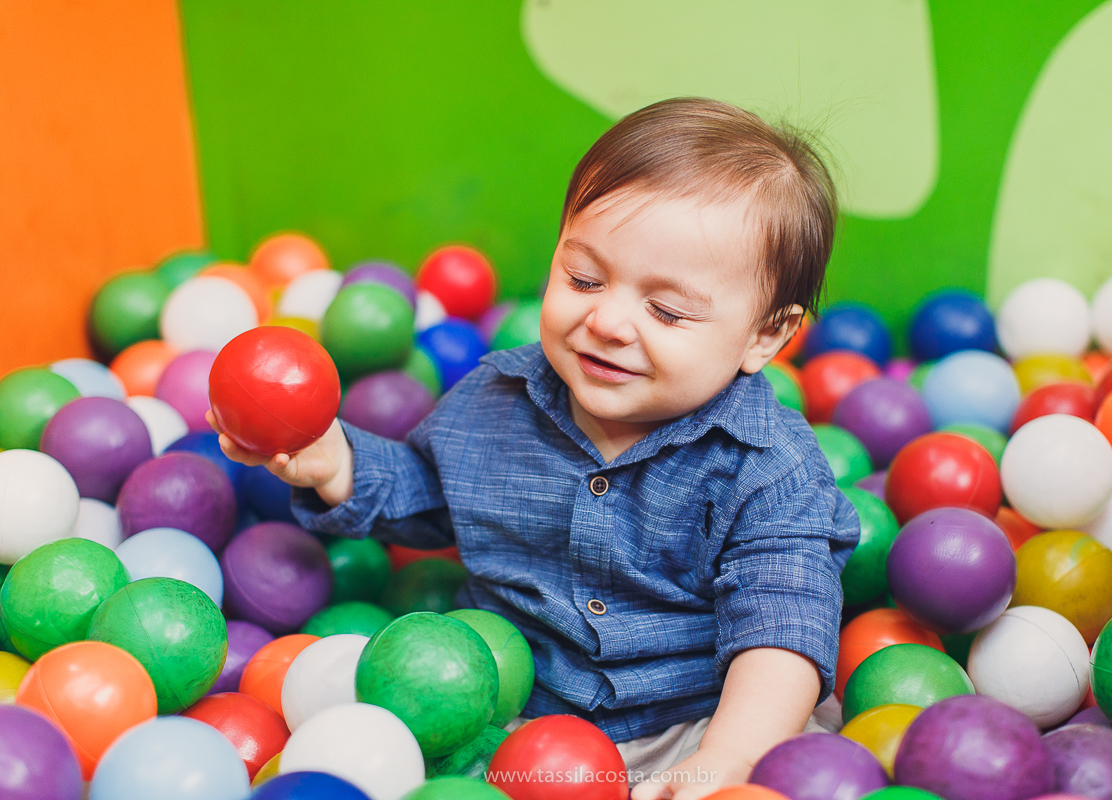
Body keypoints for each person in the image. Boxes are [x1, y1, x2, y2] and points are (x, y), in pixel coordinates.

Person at [211, 97, 859, 800]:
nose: (607, 321)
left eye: (667, 311)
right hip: (506, 714)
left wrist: (729, 761)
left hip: (695, 728)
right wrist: (337, 462)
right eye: (583, 278)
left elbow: (782, 629)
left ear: (767, 335)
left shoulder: (772, 468)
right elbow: (426, 490)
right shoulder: (494, 401)